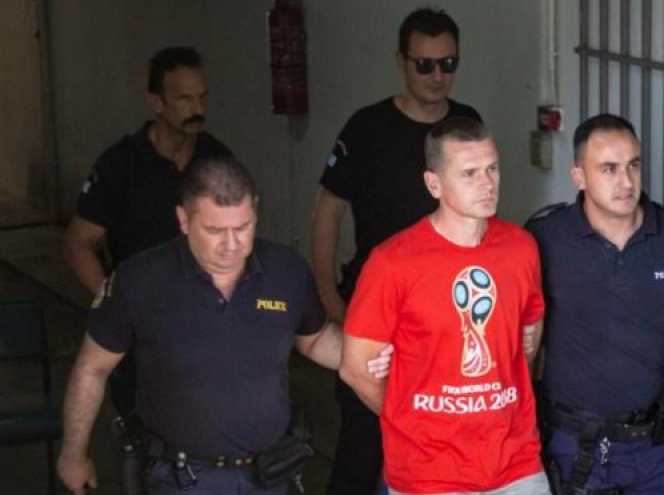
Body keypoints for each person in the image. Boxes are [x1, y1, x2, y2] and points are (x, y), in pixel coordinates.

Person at [56, 157, 389, 495]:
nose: (231, 245)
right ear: (184, 219)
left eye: (243, 227)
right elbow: (92, 368)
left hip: (269, 474)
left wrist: (376, 354)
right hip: (182, 479)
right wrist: (73, 453)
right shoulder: (139, 281)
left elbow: (315, 341)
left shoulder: (285, 270)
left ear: (255, 209)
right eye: (214, 231)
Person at [526, 113, 664, 495]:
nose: (626, 181)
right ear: (579, 177)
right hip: (571, 447)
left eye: (633, 165)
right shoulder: (545, 238)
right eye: (609, 169)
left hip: (653, 449)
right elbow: (520, 340)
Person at [310, 8, 481, 494]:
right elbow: (327, 211)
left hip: (448, 319)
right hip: (376, 314)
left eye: (448, 64)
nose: (437, 76)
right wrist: (329, 296)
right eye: (424, 64)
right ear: (401, 62)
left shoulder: (466, 124)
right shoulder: (367, 128)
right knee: (363, 450)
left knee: (442, 447)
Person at [340, 118, 551, 495]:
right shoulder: (392, 262)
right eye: (470, 173)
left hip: (515, 461)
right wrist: (411, 419)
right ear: (433, 184)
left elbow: (527, 342)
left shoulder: (521, 249)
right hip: (428, 473)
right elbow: (356, 369)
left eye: (492, 168)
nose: (487, 183)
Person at [62, 46, 233, 417]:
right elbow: (78, 244)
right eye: (184, 99)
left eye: (202, 97)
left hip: (205, 323)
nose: (197, 109)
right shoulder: (120, 165)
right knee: (142, 428)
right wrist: (116, 304)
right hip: (143, 332)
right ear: (156, 103)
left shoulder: (218, 161)